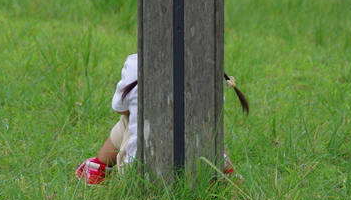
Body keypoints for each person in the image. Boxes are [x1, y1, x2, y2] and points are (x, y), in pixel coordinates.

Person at [76, 54, 249, 185]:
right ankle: (227, 171)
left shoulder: (136, 63)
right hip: (202, 175)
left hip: (139, 174)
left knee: (127, 121)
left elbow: (120, 109)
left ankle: (98, 167)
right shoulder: (207, 64)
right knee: (209, 124)